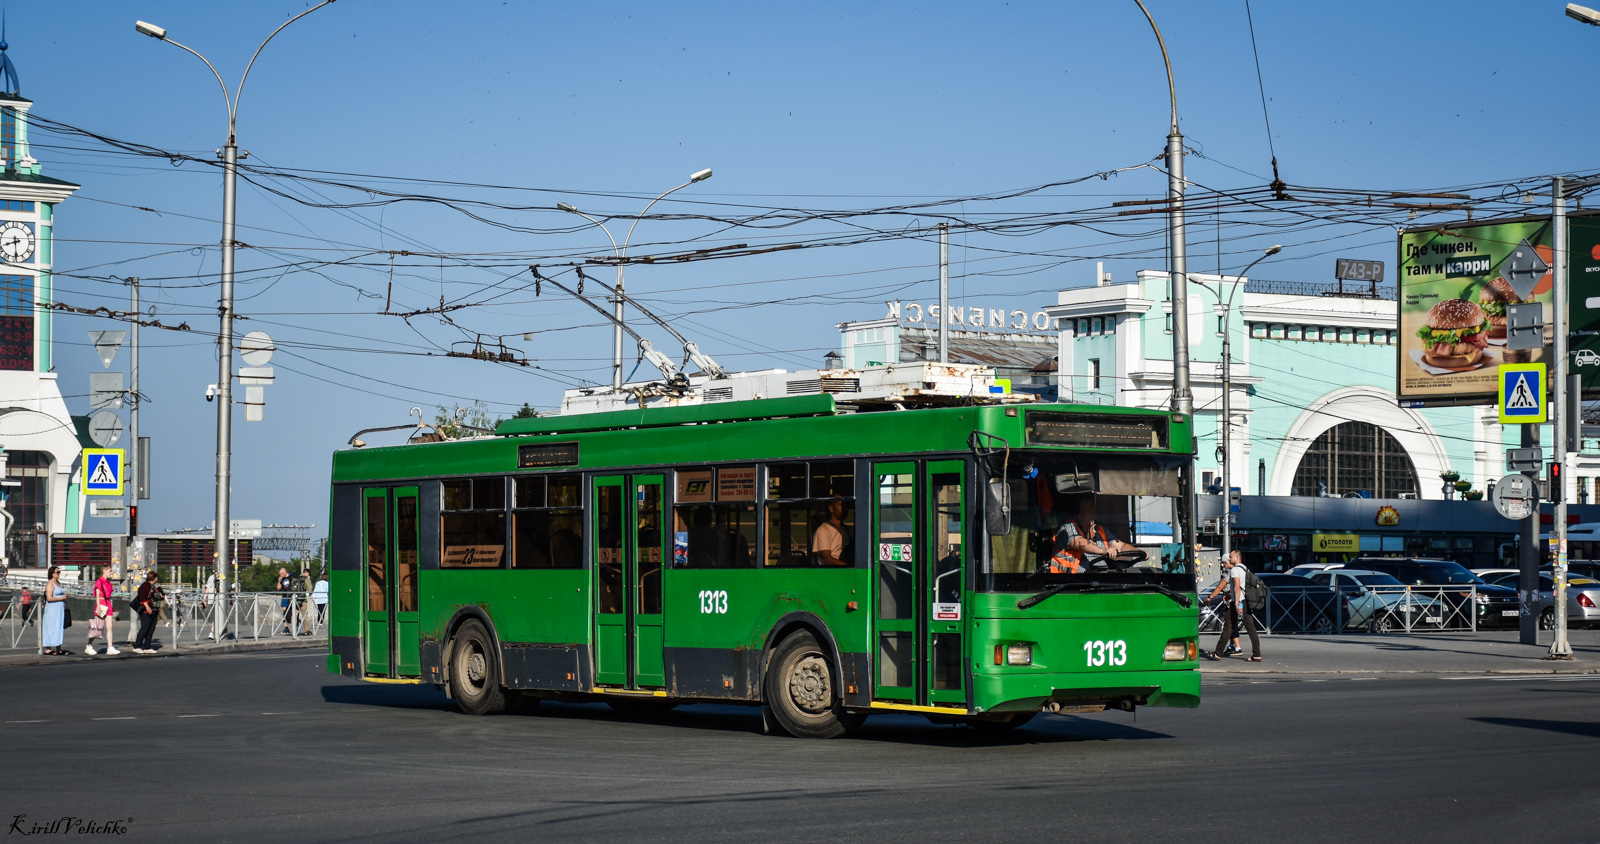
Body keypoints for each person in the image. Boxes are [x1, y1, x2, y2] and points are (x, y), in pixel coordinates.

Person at [1047, 494, 1134, 573]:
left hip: (1099, 580)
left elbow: (1120, 546)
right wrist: (1103, 551)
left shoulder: (1100, 528)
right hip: (1069, 584)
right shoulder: (1068, 527)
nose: (1098, 510)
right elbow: (1080, 543)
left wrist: (1139, 552)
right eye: (1093, 507)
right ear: (1082, 509)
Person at [1204, 549, 1261, 662]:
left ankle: (1218, 653)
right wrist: (1231, 597)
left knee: (1228, 626)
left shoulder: (1235, 570)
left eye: (1231, 557)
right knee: (1251, 628)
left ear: (1237, 558)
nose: (1229, 559)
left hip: (1239, 601)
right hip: (1246, 601)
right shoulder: (1245, 568)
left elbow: (1237, 587)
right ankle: (1257, 654)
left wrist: (1236, 603)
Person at [86, 570, 121, 655]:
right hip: (101, 604)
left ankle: (110, 647)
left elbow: (109, 594)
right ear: (104, 571)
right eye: (110, 571)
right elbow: (97, 594)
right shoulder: (99, 581)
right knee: (97, 626)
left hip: (108, 604)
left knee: (110, 626)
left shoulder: (109, 583)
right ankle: (89, 645)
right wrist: (98, 607)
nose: (111, 573)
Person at [811, 497, 852, 566]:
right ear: (831, 508)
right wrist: (848, 567)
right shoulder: (823, 530)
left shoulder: (849, 530)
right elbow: (827, 559)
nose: (845, 508)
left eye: (845, 505)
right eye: (841, 505)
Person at [132, 571, 163, 653]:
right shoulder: (145, 585)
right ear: (154, 578)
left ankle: (147, 647)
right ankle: (137, 646)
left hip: (154, 610)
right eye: (156, 577)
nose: (157, 579)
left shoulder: (153, 586)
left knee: (151, 629)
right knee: (145, 628)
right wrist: (147, 607)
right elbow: (143, 597)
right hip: (146, 611)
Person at [40, 566, 68, 655]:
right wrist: (61, 598)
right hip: (52, 609)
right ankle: (48, 648)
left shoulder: (58, 583)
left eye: (59, 572)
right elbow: (49, 598)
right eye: (57, 572)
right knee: (51, 627)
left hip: (59, 609)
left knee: (58, 627)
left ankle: (58, 647)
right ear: (52, 574)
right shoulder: (50, 584)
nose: (59, 574)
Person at [276, 567, 294, 634]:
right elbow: (278, 588)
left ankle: (294, 626)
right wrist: (279, 582)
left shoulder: (291, 577)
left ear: (285, 572)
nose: (281, 575)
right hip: (284, 596)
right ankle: (286, 627)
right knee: (284, 610)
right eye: (280, 574)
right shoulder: (282, 579)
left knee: (291, 611)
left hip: (291, 596)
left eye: (282, 574)